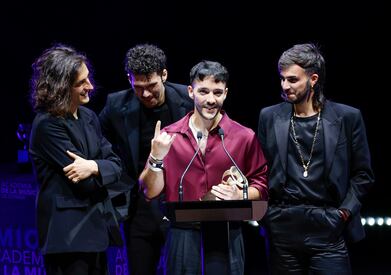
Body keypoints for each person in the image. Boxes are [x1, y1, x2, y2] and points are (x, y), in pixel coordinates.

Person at [139, 60, 268, 274]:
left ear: (226, 93)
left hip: (228, 233)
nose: (211, 100)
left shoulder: (244, 137)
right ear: (191, 92)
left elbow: (262, 186)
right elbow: (149, 191)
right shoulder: (169, 136)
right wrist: (156, 158)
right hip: (182, 234)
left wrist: (240, 194)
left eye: (217, 92)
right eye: (203, 91)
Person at [257, 43, 375, 274]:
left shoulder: (347, 117)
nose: (284, 85)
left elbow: (363, 175)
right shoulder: (269, 117)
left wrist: (344, 213)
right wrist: (268, 217)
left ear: (313, 79)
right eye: (282, 79)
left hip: (328, 227)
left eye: (292, 80)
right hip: (283, 226)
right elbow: (260, 171)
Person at [29, 44, 127, 275]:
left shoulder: (89, 117)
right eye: (81, 82)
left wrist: (93, 166)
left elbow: (117, 165)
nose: (90, 86)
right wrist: (100, 170)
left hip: (96, 229)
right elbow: (85, 183)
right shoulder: (47, 125)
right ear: (62, 87)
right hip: (68, 237)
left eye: (88, 78)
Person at [98, 43, 194, 275]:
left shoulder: (189, 99)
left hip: (181, 201)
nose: (146, 94)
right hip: (139, 204)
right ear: (129, 79)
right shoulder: (116, 105)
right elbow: (98, 143)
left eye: (151, 85)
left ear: (164, 74)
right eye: (138, 87)